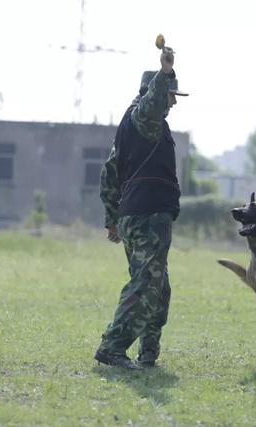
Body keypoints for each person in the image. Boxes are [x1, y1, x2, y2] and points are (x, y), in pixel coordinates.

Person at [95, 44, 188, 370]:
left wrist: (112, 219)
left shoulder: (132, 128)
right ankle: (113, 347)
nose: (174, 101)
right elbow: (152, 104)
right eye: (171, 94)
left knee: (158, 286)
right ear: (155, 93)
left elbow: (109, 174)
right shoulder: (144, 118)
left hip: (138, 215)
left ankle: (149, 353)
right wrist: (165, 74)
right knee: (147, 284)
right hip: (147, 215)